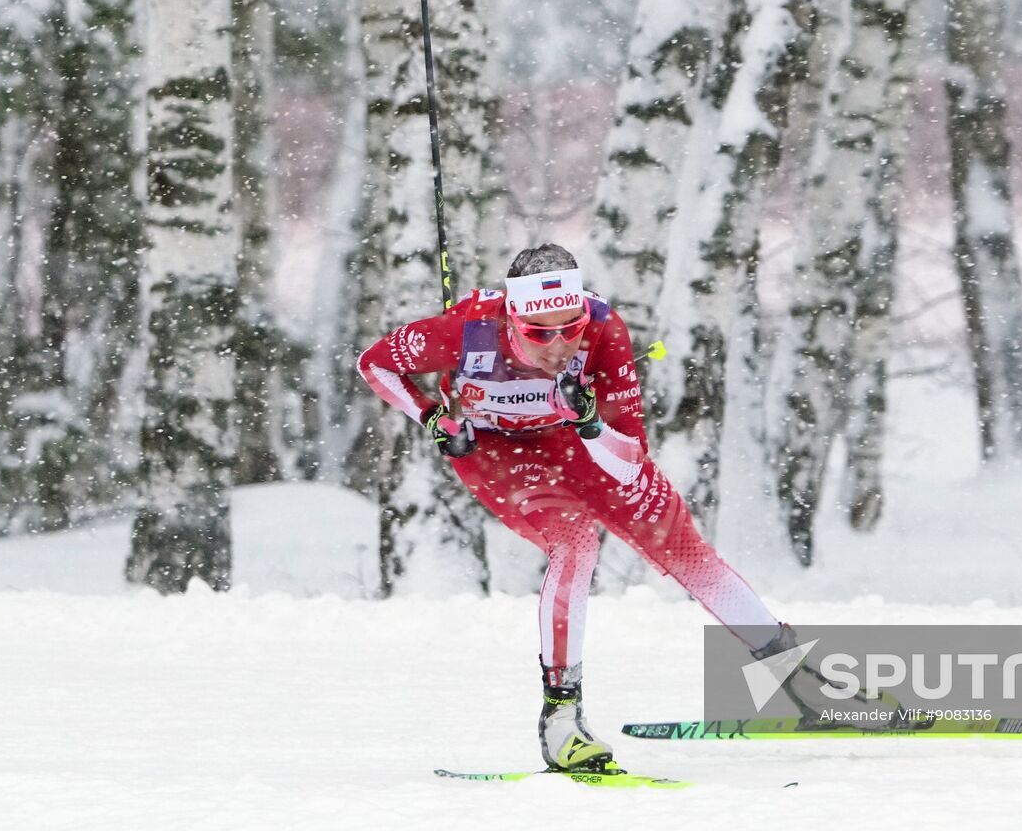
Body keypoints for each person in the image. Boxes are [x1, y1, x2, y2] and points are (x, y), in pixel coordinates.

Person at [358, 244, 895, 772]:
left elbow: (629, 457)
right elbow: (374, 363)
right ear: (512, 318)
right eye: (540, 334)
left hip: (580, 445)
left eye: (569, 327)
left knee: (688, 552)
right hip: (499, 453)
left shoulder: (604, 330)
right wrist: (430, 415)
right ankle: (560, 720)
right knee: (575, 543)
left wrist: (592, 424)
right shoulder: (466, 330)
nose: (559, 346)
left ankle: (800, 681)